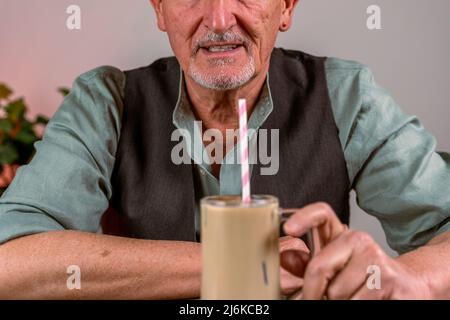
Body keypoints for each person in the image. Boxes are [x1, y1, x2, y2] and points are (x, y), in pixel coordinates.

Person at [0, 0, 449, 300]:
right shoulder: (105, 101)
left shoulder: (347, 95)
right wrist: (244, 264)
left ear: (287, 6)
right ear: (159, 8)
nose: (218, 20)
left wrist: (415, 278)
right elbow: (12, 263)